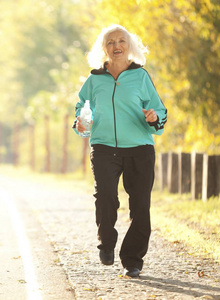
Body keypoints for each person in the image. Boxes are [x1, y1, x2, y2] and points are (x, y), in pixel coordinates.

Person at [73, 25, 167, 278]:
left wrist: (153, 116)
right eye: (110, 42)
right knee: (105, 196)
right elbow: (81, 110)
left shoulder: (141, 77)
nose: (116, 46)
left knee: (140, 206)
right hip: (104, 147)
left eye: (121, 41)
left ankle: (132, 260)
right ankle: (106, 241)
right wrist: (80, 124)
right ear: (103, 48)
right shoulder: (94, 80)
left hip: (139, 148)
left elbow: (160, 110)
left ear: (129, 46)